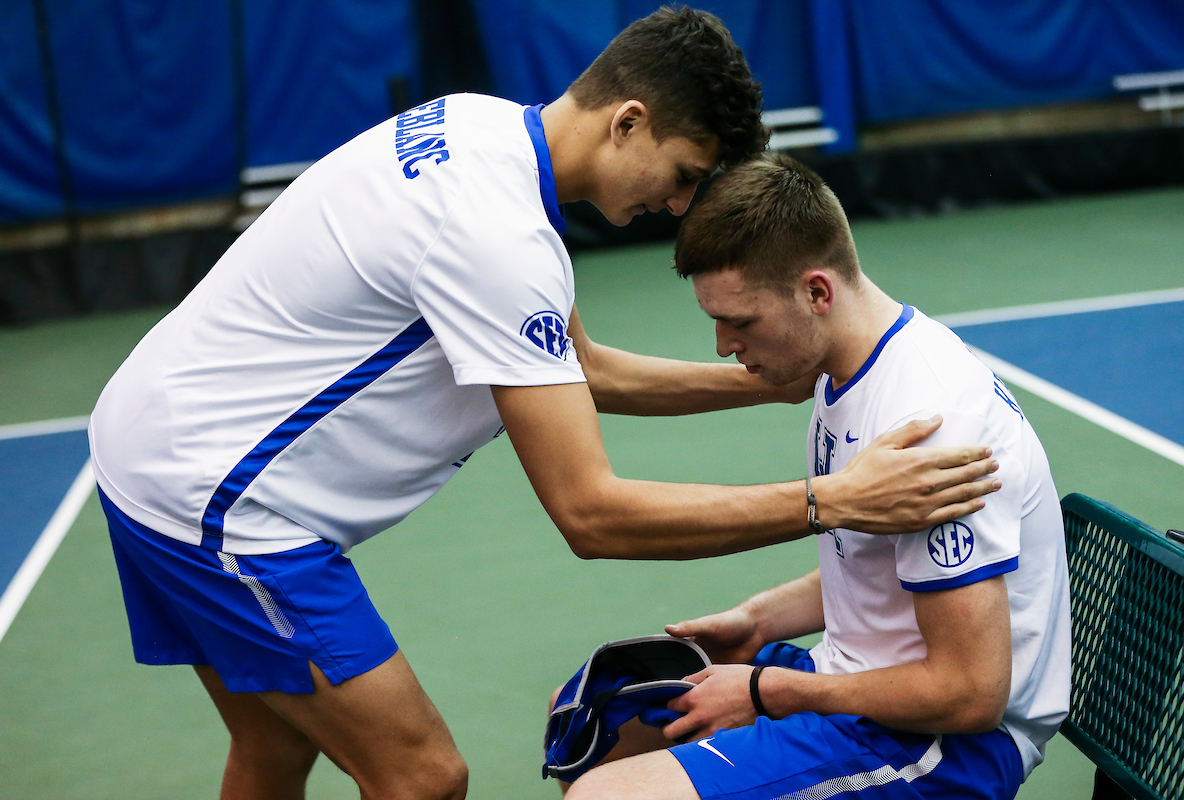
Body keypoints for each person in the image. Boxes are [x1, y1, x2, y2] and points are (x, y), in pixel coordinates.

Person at [89, 9, 1000, 800]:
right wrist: (835, 500)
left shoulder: (478, 129)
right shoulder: (502, 239)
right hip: (219, 507)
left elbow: (582, 370)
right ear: (629, 121)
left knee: (274, 738)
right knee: (420, 779)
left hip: (149, 444)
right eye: (683, 174)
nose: (681, 203)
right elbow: (591, 512)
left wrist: (768, 376)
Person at [561, 154, 1070, 800]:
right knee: (601, 709)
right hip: (862, 689)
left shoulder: (928, 425)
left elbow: (970, 694)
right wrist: (758, 620)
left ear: (817, 292)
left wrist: (769, 692)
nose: (723, 346)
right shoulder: (846, 370)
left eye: (740, 322)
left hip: (942, 750)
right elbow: (880, 569)